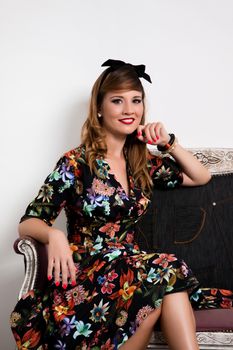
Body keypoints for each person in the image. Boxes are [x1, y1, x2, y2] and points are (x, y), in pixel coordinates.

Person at [11, 59, 212, 350]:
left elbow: (200, 176)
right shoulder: (77, 162)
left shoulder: (141, 162)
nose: (129, 110)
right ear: (100, 109)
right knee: (167, 271)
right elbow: (29, 221)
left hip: (129, 270)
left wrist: (168, 142)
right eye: (118, 101)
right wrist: (53, 235)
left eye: (136, 101)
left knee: (161, 282)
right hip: (88, 275)